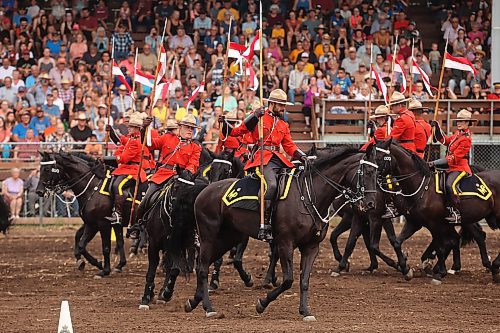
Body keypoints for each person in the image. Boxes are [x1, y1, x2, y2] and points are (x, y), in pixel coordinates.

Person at [220, 89, 307, 241]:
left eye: (284, 105)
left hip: (279, 159)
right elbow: (235, 132)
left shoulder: (283, 124)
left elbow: (289, 146)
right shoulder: (258, 118)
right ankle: (264, 223)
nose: (283, 108)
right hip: (262, 158)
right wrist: (225, 123)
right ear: (272, 104)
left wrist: (302, 156)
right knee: (271, 185)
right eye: (280, 105)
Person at [127, 114, 202, 239]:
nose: (190, 130)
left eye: (192, 128)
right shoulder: (167, 138)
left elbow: (193, 164)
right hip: (162, 176)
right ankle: (138, 225)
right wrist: (144, 128)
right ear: (180, 127)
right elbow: (149, 144)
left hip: (181, 179)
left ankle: (194, 232)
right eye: (188, 127)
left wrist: (185, 175)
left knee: (194, 204)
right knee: (145, 201)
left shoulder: (195, 147)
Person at [429, 109, 477, 223]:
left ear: (467, 122)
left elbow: (454, 158)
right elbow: (446, 141)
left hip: (460, 168)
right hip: (451, 167)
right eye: (458, 121)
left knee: (449, 185)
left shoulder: (466, 138)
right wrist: (437, 129)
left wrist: (434, 163)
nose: (458, 123)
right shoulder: (457, 133)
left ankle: (456, 213)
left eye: (461, 121)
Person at [105, 113, 147, 225]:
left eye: (130, 127)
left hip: (133, 170)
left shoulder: (136, 142)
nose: (128, 128)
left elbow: (124, 158)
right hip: (124, 168)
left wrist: (108, 159)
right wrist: (111, 132)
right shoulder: (130, 138)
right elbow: (120, 140)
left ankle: (118, 214)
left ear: (137, 128)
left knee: (117, 186)